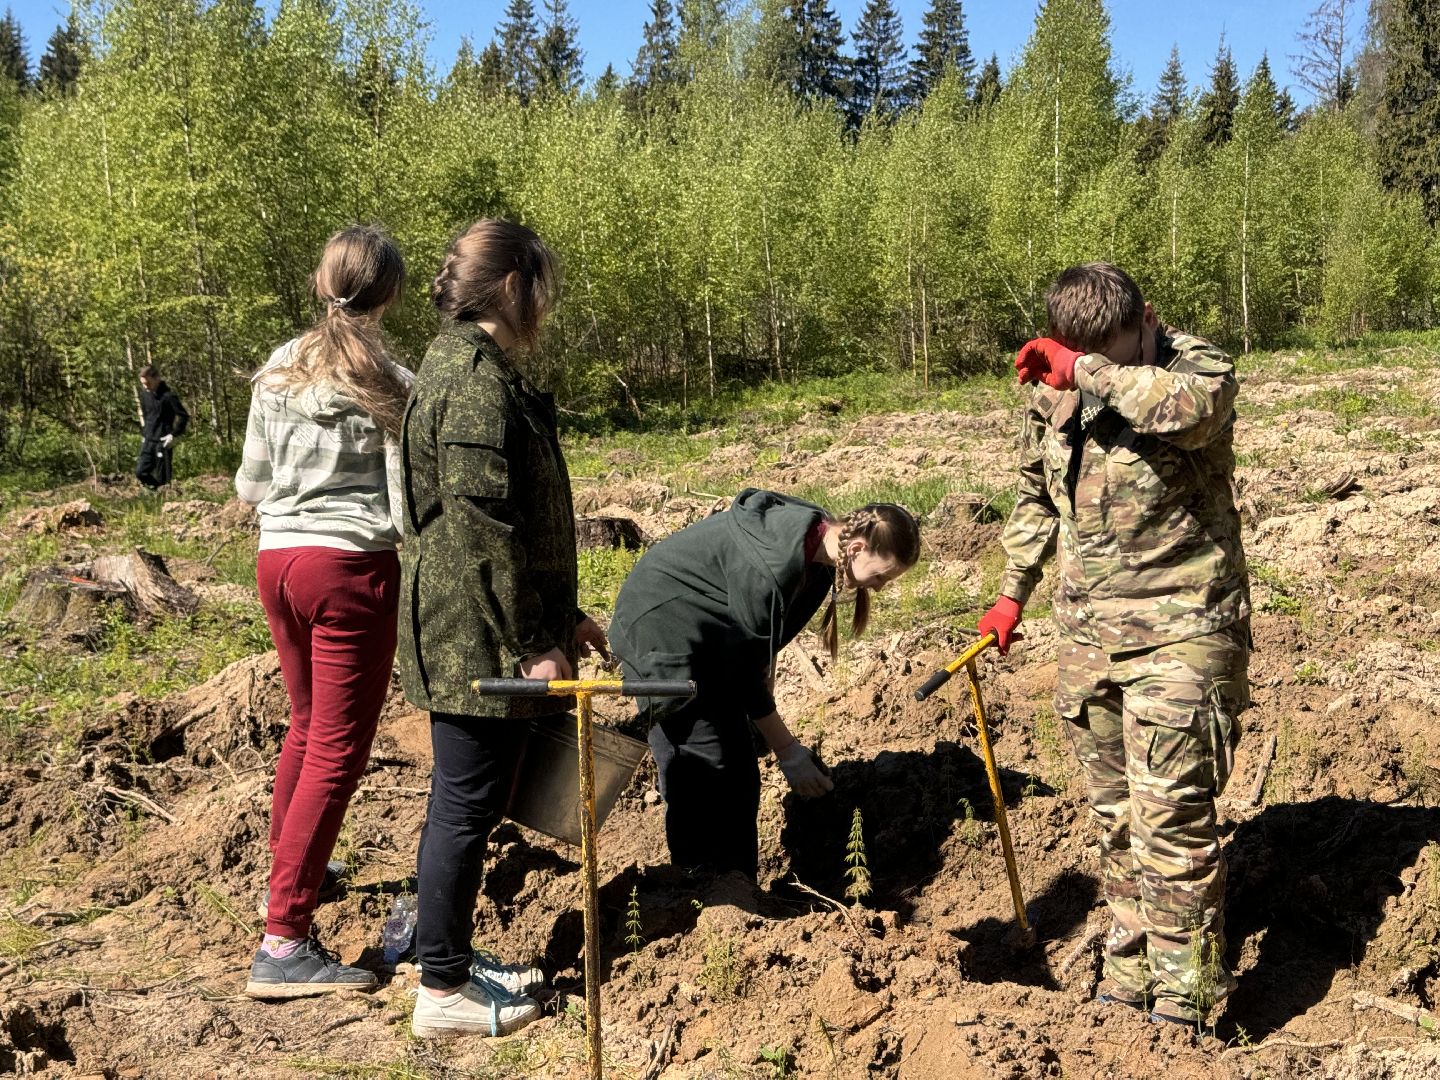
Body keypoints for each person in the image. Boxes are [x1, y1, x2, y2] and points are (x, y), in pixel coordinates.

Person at [978, 262, 1250, 1029]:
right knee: (1117, 821)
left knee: (1171, 825)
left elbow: (1187, 412)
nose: (1092, 364)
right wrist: (1012, 591)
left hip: (1182, 632)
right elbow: (1035, 494)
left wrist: (1086, 370)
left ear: (1147, 320)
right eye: (1078, 350)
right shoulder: (1055, 389)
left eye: (1112, 348)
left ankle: (1185, 1001)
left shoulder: (1195, 370)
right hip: (1088, 637)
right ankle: (1129, 981)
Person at [398, 219, 609, 1040]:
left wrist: (564, 619)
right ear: (515, 287)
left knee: (467, 803)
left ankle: (447, 958)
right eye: (542, 289)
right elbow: (483, 529)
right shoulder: (472, 380)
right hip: (474, 638)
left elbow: (517, 521)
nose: (545, 308)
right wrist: (530, 643)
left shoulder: (475, 368)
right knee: (464, 806)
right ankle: (442, 991)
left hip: (485, 627)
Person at [234, 224, 413, 999]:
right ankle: (283, 942)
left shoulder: (278, 367)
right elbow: (403, 505)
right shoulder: (390, 381)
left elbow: (249, 484)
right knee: (339, 750)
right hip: (349, 572)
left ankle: (295, 870)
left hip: (277, 563)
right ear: (390, 295)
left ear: (320, 282)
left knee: (307, 727)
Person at [608, 490, 921, 881]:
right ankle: (697, 890)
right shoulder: (773, 565)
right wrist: (787, 750)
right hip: (664, 637)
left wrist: (762, 713)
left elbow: (759, 643)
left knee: (738, 773)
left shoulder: (821, 548)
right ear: (857, 548)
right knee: (704, 766)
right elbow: (742, 668)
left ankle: (737, 888)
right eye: (880, 576)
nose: (878, 587)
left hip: (714, 642)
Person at [135, 365, 189, 488]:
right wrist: (145, 433)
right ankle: (156, 491)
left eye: (148, 383)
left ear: (157, 378)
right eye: (143, 384)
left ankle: (164, 495)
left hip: (163, 441)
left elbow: (183, 416)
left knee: (163, 477)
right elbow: (147, 415)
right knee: (140, 472)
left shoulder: (168, 396)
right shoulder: (145, 395)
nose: (145, 386)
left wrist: (173, 435)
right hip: (148, 440)